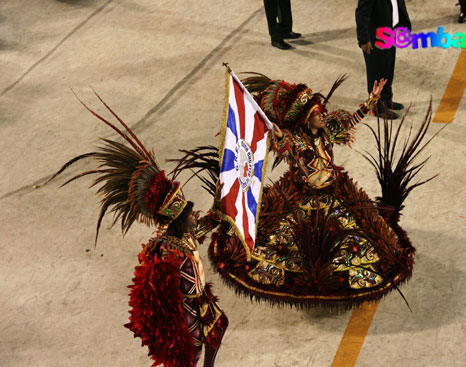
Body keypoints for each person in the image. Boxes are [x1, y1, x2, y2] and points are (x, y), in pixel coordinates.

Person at [177, 73, 437, 309]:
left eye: (322, 112)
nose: (323, 115)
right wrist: (277, 133)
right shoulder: (297, 141)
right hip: (304, 199)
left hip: (335, 193)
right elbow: (283, 140)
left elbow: (350, 121)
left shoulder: (328, 131)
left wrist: (370, 101)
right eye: (317, 113)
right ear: (306, 118)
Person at [44, 94, 228, 367]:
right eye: (189, 213)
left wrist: (220, 200)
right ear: (178, 218)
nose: (193, 215)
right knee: (197, 348)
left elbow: (206, 224)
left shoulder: (185, 235)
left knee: (215, 331)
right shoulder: (166, 251)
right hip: (187, 316)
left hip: (201, 305)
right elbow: (157, 294)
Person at [356, 0, 411, 120]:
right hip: (375, 37)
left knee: (388, 69)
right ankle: (377, 107)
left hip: (391, 32)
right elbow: (361, 13)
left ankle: (386, 100)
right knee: (376, 73)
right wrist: (363, 39)